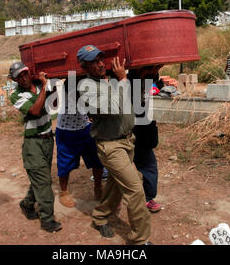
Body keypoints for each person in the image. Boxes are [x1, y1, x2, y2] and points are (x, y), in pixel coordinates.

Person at [77, 45, 152, 245]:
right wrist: (123, 80)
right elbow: (113, 107)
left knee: (115, 187)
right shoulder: (86, 87)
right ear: (84, 66)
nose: (101, 64)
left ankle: (100, 216)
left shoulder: (107, 81)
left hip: (127, 141)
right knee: (135, 188)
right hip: (111, 146)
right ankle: (140, 240)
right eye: (94, 62)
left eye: (101, 59)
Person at [9, 61, 62, 233]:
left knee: (40, 178)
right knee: (44, 182)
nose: (23, 78)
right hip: (33, 143)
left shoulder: (40, 85)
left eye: (24, 73)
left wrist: (49, 84)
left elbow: (54, 103)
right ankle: (47, 220)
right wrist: (46, 87)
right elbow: (35, 111)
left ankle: (27, 204)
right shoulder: (16, 95)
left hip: (47, 140)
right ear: (14, 79)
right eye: (19, 76)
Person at [56, 77, 104, 208]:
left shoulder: (89, 81)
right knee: (64, 163)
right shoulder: (70, 83)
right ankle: (64, 192)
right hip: (67, 129)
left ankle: (98, 188)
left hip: (85, 127)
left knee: (97, 160)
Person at [128, 65, 164, 213]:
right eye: (149, 70)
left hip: (142, 131)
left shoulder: (147, 79)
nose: (153, 73)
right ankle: (114, 198)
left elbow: (153, 80)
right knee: (120, 168)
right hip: (126, 131)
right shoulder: (126, 82)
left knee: (149, 166)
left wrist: (153, 72)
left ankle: (148, 198)